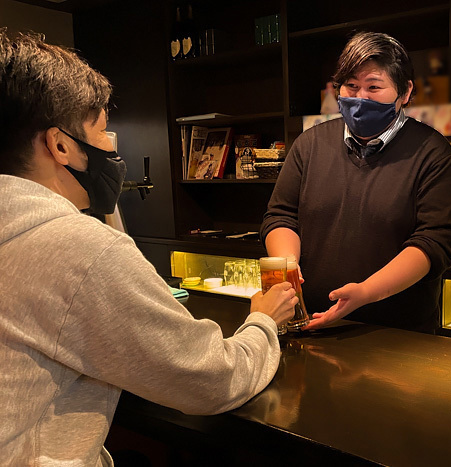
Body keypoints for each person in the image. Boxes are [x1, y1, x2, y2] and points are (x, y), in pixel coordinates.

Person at [0, 30, 297, 465]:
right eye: (102, 132)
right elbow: (211, 380)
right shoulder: (81, 250)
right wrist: (263, 321)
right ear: (60, 145)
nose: (110, 147)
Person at [261, 31, 451, 333]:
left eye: (373, 87)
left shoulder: (433, 153)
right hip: (310, 326)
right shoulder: (309, 144)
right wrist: (288, 267)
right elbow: (281, 216)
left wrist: (367, 292)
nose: (360, 98)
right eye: (351, 86)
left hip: (397, 336)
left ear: (405, 92)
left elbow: (434, 242)